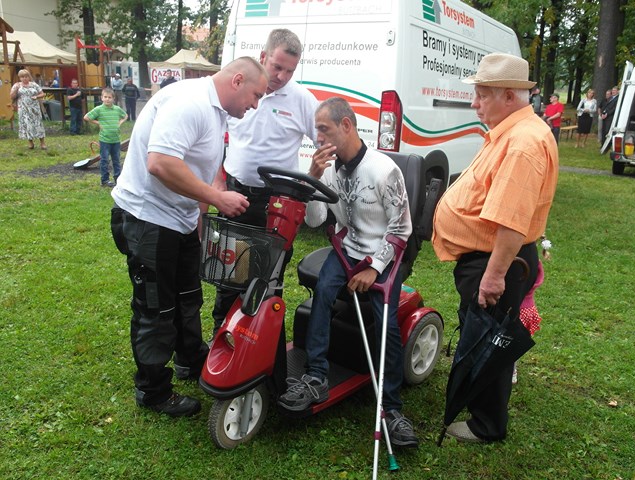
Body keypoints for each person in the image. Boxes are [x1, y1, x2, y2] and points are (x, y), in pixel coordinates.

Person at [109, 57, 268, 418]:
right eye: (256, 95)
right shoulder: (190, 103)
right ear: (237, 80)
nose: (255, 104)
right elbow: (161, 163)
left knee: (188, 297)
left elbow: (196, 165)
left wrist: (197, 215)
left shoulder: (216, 112)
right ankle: (153, 391)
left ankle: (190, 360)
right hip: (148, 219)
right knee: (156, 307)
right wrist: (217, 198)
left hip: (178, 220)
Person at [277, 97, 419, 448]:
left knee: (384, 321)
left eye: (323, 130)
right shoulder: (326, 167)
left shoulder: (385, 170)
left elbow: (401, 230)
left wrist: (374, 269)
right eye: (316, 132)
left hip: (384, 255)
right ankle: (317, 376)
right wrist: (311, 178)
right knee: (323, 294)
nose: (317, 138)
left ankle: (391, 408)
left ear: (347, 126)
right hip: (345, 250)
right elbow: (314, 220)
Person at [432, 52, 558, 444]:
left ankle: (486, 425)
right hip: (490, 258)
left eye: (481, 95)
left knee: (489, 339)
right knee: (485, 333)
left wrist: (492, 276)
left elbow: (510, 222)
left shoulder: (523, 143)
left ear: (508, 95)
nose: (474, 103)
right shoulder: (513, 130)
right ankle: (481, 408)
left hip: (495, 261)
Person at [210, 28, 318, 336]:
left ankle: (264, 342)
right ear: (263, 57)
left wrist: (314, 175)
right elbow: (216, 138)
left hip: (277, 203)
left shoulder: (301, 100)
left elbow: (325, 142)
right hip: (235, 195)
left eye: (290, 70)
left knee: (270, 278)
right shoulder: (238, 90)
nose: (282, 76)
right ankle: (223, 336)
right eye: (277, 67)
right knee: (231, 271)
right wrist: (219, 183)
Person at [83, 87, 128, 187]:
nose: (107, 99)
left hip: (116, 140)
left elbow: (125, 115)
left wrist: (120, 122)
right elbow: (86, 117)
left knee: (116, 160)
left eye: (109, 97)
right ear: (102, 98)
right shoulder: (99, 109)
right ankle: (105, 180)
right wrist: (97, 122)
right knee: (104, 160)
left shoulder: (116, 109)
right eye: (105, 97)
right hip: (105, 140)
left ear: (113, 99)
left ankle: (118, 178)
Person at [9, 69, 47, 150]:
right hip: (23, 109)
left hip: (34, 109)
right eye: (22, 77)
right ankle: (30, 142)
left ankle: (42, 142)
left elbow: (43, 93)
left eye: (26, 76)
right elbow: (12, 97)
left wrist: (36, 97)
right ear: (20, 78)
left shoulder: (33, 85)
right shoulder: (17, 85)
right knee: (27, 124)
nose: (24, 78)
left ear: (29, 77)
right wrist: (15, 90)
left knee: (38, 124)